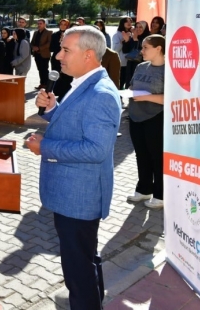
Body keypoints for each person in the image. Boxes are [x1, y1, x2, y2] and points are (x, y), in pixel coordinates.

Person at [27, 25, 121, 310]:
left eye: (66, 50)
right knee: (85, 261)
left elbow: (96, 149)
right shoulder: (83, 82)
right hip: (72, 195)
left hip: (79, 198)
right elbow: (77, 126)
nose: (57, 56)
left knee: (78, 270)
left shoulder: (101, 93)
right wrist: (54, 108)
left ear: (89, 55)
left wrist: (45, 147)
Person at [126, 35, 165, 209]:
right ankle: (144, 189)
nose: (141, 51)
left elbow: (173, 98)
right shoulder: (141, 67)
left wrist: (147, 97)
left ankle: (160, 194)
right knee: (141, 154)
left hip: (155, 117)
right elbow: (132, 87)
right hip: (135, 116)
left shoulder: (169, 70)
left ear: (158, 49)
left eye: (145, 47)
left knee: (157, 156)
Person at [112, 17, 135, 89]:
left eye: (130, 21)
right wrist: (122, 41)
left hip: (131, 61)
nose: (129, 23)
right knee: (121, 81)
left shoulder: (132, 33)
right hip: (122, 63)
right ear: (122, 23)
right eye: (126, 22)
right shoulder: (117, 35)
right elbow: (115, 50)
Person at [31, 19, 53, 90]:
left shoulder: (49, 32)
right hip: (37, 55)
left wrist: (39, 48)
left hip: (44, 54)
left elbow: (49, 43)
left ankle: (47, 85)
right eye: (38, 24)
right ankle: (42, 84)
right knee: (40, 69)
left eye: (40, 23)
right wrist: (33, 47)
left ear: (44, 24)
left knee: (44, 70)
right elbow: (32, 42)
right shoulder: (35, 33)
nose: (39, 25)